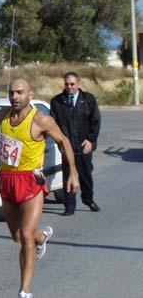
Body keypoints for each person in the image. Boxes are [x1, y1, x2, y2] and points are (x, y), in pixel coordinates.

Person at [0, 79, 79, 298]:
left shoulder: (41, 120)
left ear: (29, 94)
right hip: (7, 180)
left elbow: (63, 141)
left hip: (30, 181)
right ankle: (41, 238)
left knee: (25, 235)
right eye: (12, 92)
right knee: (17, 236)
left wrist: (72, 172)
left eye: (20, 92)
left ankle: (25, 291)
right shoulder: (3, 115)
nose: (15, 96)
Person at [49, 72, 101, 216]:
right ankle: (69, 206)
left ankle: (88, 199)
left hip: (84, 146)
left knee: (85, 175)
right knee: (68, 176)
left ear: (78, 84)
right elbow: (54, 125)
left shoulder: (88, 99)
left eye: (72, 84)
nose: (69, 87)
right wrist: (59, 142)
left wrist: (91, 139)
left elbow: (95, 121)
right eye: (67, 84)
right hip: (67, 147)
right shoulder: (57, 102)